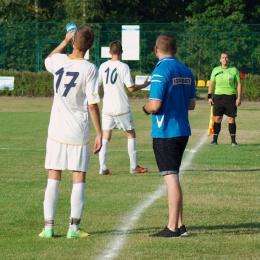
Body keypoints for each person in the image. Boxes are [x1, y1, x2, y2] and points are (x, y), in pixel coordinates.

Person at [39, 26, 102, 239]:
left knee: (53, 177)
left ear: (73, 41)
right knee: (78, 177)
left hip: (56, 129)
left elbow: (49, 57)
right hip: (78, 130)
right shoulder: (90, 68)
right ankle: (73, 228)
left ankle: (48, 227)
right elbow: (93, 104)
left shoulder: (59, 61)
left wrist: (64, 42)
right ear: (90, 46)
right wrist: (100, 133)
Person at [142, 34, 196, 237]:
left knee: (171, 178)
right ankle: (180, 226)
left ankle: (172, 227)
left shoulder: (160, 71)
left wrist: (145, 109)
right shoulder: (186, 70)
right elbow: (191, 104)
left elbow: (154, 105)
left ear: (156, 50)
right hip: (182, 130)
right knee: (174, 175)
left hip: (165, 131)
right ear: (176, 50)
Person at [98, 40, 150, 175]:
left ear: (109, 52)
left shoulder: (103, 66)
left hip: (107, 108)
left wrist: (105, 94)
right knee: (130, 134)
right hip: (122, 107)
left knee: (106, 137)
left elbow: (98, 86)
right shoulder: (124, 67)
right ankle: (134, 167)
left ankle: (102, 167)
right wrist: (144, 85)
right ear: (121, 52)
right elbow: (131, 88)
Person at [208, 52, 242, 146]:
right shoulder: (215, 70)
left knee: (231, 119)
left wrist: (239, 97)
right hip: (218, 97)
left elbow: (239, 84)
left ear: (229, 59)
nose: (224, 59)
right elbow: (211, 83)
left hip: (230, 97)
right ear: (220, 60)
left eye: (226, 57)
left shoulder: (234, 70)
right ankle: (214, 140)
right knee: (217, 118)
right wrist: (209, 97)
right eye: (223, 58)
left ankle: (233, 141)